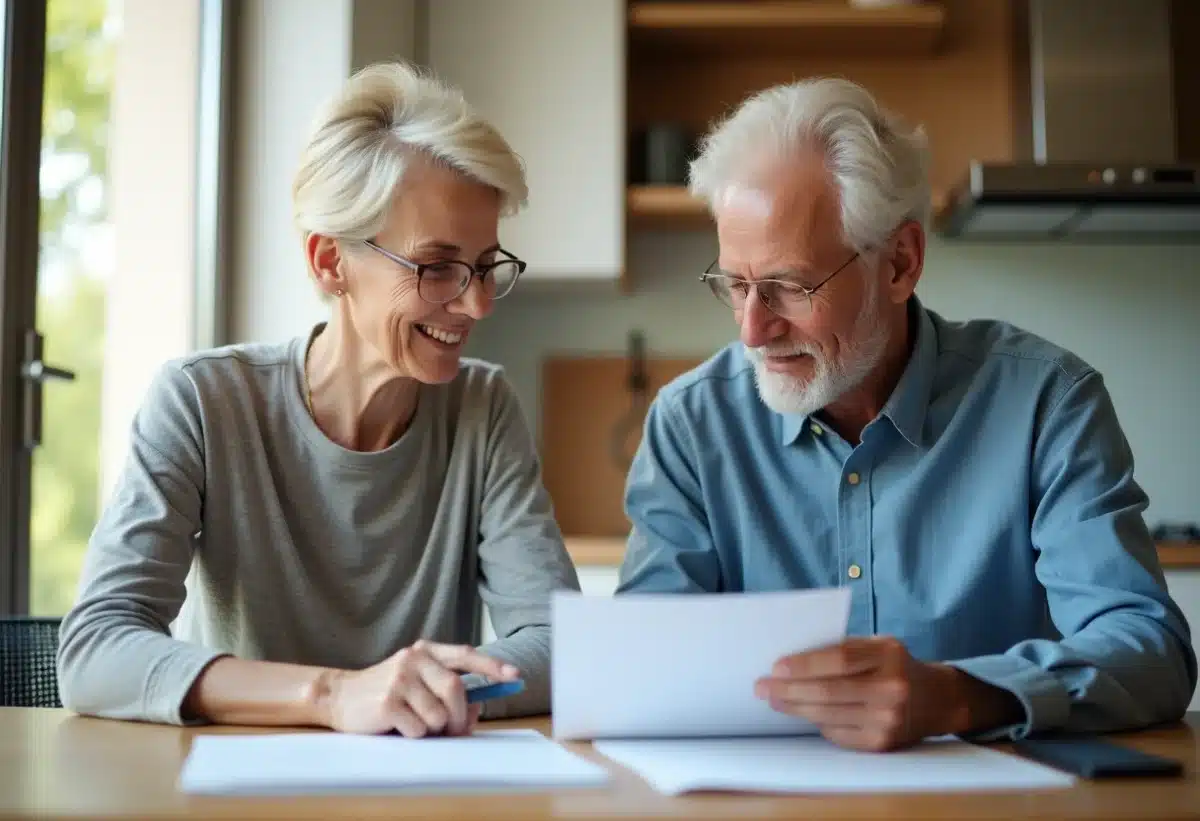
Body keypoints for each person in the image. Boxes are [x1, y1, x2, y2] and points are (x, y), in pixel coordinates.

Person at [617, 77, 1197, 752]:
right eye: (736, 285)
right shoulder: (692, 426)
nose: (752, 330)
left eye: (789, 286)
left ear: (899, 262)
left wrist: (959, 695)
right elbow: (640, 671)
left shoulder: (1047, 403)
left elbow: (1149, 649)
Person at [56, 61, 580, 737]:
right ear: (330, 262)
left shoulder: (483, 407)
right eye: (438, 266)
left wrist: (415, 693)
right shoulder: (201, 403)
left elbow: (562, 643)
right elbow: (95, 646)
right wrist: (334, 696)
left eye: (484, 266)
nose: (477, 302)